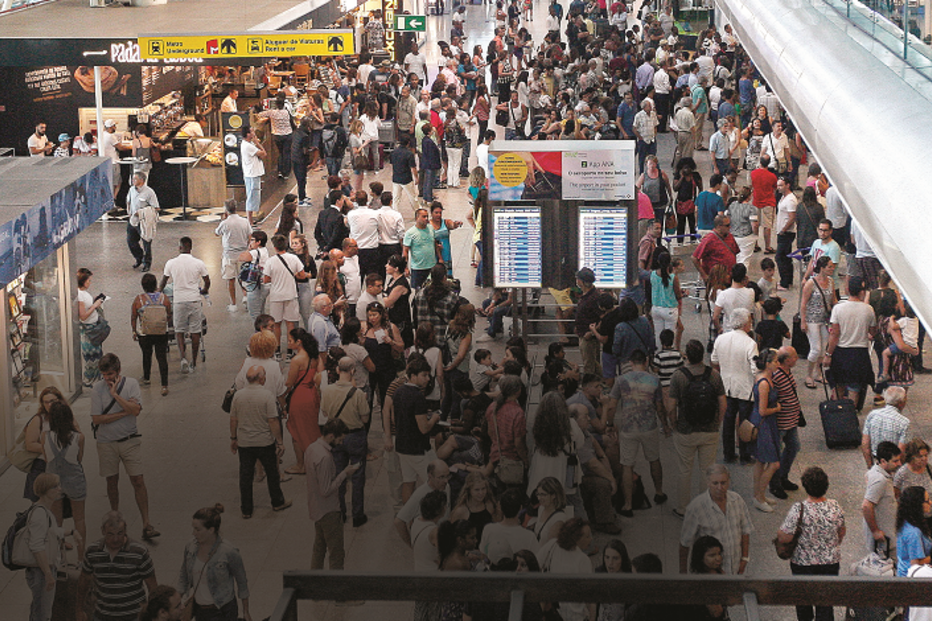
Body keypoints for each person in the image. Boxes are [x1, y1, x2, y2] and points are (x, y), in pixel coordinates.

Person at [91, 353, 159, 541]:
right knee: (111, 481)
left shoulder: (131, 384)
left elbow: (136, 411)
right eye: (104, 375)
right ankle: (115, 519)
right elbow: (97, 419)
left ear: (118, 371)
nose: (107, 379)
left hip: (129, 440)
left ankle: (146, 523)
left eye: (110, 374)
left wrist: (115, 395)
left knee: (138, 480)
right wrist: (124, 412)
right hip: (106, 442)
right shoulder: (97, 389)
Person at [604, 349, 668, 517]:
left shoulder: (621, 380)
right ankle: (659, 492)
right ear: (646, 362)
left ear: (630, 363)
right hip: (649, 427)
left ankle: (628, 504)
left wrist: (609, 424)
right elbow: (659, 407)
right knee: (654, 460)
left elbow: (611, 405)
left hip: (628, 428)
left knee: (627, 465)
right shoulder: (654, 380)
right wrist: (666, 425)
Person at [777, 466, 845, 621]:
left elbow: (784, 537)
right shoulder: (835, 506)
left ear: (805, 486)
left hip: (803, 564)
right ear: (826, 485)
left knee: (803, 600)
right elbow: (841, 532)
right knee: (825, 603)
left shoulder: (799, 509)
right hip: (830, 562)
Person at [669, 339, 727, 517]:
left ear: (686, 355)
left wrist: (674, 424)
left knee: (684, 470)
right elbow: (723, 403)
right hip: (709, 430)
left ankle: (683, 508)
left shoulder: (678, 376)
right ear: (702, 355)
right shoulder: (714, 375)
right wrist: (717, 423)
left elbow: (671, 406)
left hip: (686, 430)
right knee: (706, 470)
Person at [230, 364, 291, 517]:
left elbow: (233, 419)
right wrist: (279, 441)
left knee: (245, 476)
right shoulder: (267, 396)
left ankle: (246, 509)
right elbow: (273, 420)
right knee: (272, 473)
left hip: (245, 443)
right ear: (261, 379)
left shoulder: (238, 396)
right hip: (265, 442)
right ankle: (277, 502)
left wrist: (233, 438)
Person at [77, 511, 157, 621]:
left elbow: (153, 587)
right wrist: (79, 610)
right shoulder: (92, 552)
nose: (115, 539)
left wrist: (153, 615)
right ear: (103, 531)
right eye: (110, 534)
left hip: (134, 616)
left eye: (120, 533)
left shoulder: (139, 552)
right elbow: (83, 582)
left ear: (125, 530)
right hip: (102, 616)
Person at [320, 357, 370, 527]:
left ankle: (340, 512)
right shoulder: (358, 394)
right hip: (355, 436)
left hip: (335, 437)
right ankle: (358, 515)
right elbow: (365, 419)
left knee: (338, 475)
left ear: (337, 370)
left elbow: (325, 413)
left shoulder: (327, 391)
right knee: (358, 477)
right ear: (353, 371)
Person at [178, 504, 251, 621]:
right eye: (193, 528)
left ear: (211, 530)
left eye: (198, 529)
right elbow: (184, 575)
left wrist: (246, 611)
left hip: (222, 610)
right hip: (200, 610)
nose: (193, 533)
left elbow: (242, 581)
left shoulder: (228, 551)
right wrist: (177, 601)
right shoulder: (190, 547)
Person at [680, 464, 753, 575]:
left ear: (729, 482)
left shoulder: (737, 500)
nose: (719, 487)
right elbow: (684, 543)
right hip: (710, 573)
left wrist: (744, 559)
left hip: (736, 569)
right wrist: (683, 573)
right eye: (715, 483)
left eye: (723, 483)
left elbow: (745, 531)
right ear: (708, 483)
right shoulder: (696, 508)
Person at [711, 308, 759, 465]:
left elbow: (714, 361)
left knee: (728, 422)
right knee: (744, 423)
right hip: (745, 389)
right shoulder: (750, 343)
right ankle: (745, 455)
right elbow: (755, 369)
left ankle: (728, 453)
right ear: (746, 324)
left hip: (726, 387)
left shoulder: (721, 339)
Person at [41, 401, 87, 556]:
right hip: (74, 480)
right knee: (79, 519)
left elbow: (46, 459)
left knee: (56, 519)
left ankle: (58, 555)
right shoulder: (79, 437)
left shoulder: (45, 436)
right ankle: (81, 557)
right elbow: (79, 459)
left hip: (52, 481)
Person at [825, 276, 877, 412]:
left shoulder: (838, 308)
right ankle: (850, 415)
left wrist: (828, 354)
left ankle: (838, 414)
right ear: (862, 291)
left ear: (847, 290)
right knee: (855, 388)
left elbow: (834, 334)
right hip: (859, 353)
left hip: (841, 351)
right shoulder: (868, 309)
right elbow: (873, 331)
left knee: (839, 385)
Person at [160, 236, 210, 374]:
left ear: (179, 248)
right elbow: (207, 280)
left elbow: (163, 281)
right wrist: (204, 290)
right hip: (194, 300)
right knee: (195, 331)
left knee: (179, 331)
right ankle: (193, 361)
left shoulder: (171, 263)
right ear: (191, 248)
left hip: (179, 301)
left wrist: (158, 293)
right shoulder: (198, 263)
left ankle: (183, 358)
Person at [23, 473, 66, 621]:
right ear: (45, 490)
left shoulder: (45, 511)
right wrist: (48, 574)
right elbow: (36, 546)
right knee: (42, 614)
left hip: (43, 570)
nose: (59, 489)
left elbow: (50, 531)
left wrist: (71, 532)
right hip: (41, 571)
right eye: (55, 487)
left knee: (41, 611)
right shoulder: (40, 514)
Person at [536, 518, 595, 621]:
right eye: (587, 536)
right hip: (575, 616)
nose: (591, 539)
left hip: (554, 612)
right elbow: (590, 594)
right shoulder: (583, 560)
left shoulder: (553, 545)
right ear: (577, 538)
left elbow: (536, 564)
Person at [748, 348, 783, 513]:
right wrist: (777, 408)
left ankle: (759, 495)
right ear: (768, 364)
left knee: (760, 461)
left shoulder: (764, 378)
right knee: (774, 463)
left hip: (765, 423)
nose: (778, 364)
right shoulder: (764, 383)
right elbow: (763, 410)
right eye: (775, 361)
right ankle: (759, 497)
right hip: (764, 425)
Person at [283, 329, 322, 475]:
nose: (288, 343)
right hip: (312, 394)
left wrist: (281, 397)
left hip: (299, 397)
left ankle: (301, 465)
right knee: (312, 429)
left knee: (297, 431)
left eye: (290, 340)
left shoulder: (297, 360)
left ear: (298, 342)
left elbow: (290, 383)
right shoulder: (315, 357)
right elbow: (320, 375)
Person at [799, 256, 837, 388]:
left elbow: (833, 300)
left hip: (825, 319)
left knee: (823, 349)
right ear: (822, 268)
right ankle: (809, 375)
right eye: (829, 266)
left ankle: (818, 372)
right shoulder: (811, 283)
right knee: (816, 349)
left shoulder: (831, 281)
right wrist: (803, 321)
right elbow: (803, 303)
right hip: (812, 319)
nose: (832, 269)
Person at [131, 274, 171, 396]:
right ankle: (164, 385)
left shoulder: (139, 300)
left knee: (146, 355)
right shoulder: (164, 298)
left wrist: (134, 331)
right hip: (161, 332)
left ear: (143, 286)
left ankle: (147, 378)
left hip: (145, 333)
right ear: (155, 284)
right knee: (161, 357)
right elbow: (169, 314)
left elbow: (134, 316)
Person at [863, 441, 902, 561]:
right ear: (883, 461)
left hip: (888, 534)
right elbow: (866, 506)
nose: (899, 464)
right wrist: (875, 531)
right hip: (884, 540)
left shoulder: (876, 472)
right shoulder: (880, 480)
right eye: (895, 461)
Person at [478, 488, 538, 563]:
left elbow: (483, 555)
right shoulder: (530, 537)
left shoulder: (488, 529)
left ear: (500, 507)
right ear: (520, 508)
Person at [214, 199, 252, 311]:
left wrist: (223, 219)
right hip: (243, 254)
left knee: (230, 280)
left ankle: (233, 304)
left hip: (229, 255)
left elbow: (216, 233)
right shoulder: (244, 221)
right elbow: (250, 235)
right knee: (243, 277)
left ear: (226, 210)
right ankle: (245, 296)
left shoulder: (225, 223)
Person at [450, 471, 502, 542]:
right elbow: (453, 535)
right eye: (477, 490)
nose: (481, 493)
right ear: (469, 490)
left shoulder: (489, 505)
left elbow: (496, 526)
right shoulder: (461, 511)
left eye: (483, 489)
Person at [75, 267, 105, 388]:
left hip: (93, 328)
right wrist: (95, 305)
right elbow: (83, 316)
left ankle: (95, 377)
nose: (90, 283)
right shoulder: (80, 296)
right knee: (92, 356)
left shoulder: (83, 294)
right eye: (88, 281)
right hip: (89, 330)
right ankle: (91, 378)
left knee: (96, 354)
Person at [687, 536, 729, 620]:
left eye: (719, 554)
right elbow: (716, 612)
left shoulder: (719, 573)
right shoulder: (701, 581)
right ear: (701, 558)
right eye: (712, 555)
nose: (718, 558)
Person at [896, 486, 932, 578]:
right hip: (912, 579)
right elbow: (915, 564)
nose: (930, 503)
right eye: (927, 501)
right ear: (917, 505)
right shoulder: (913, 533)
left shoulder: (906, 523)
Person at [126, 172, 159, 272]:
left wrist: (142, 212)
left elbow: (156, 208)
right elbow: (128, 200)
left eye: (135, 179)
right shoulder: (131, 190)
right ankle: (139, 257)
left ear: (142, 180)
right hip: (133, 221)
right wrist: (128, 210)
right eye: (133, 179)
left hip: (144, 222)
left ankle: (147, 263)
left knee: (146, 243)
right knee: (131, 241)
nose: (133, 181)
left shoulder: (149, 192)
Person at [594, 540, 632, 621]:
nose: (610, 563)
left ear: (622, 559)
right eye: (607, 557)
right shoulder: (599, 573)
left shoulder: (629, 579)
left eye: (615, 558)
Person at [258, 96, 293, 179]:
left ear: (276, 105)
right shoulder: (286, 112)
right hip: (287, 135)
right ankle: (286, 173)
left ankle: (280, 171)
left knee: (280, 153)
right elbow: (292, 121)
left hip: (277, 136)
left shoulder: (272, 112)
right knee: (287, 153)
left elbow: (259, 115)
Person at [403, 207, 439, 289]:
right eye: (423, 217)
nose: (426, 219)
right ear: (417, 218)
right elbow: (405, 251)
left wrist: (440, 258)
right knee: (418, 290)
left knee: (432, 289)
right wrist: (405, 267)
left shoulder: (431, 228)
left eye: (427, 216)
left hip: (432, 266)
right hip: (418, 268)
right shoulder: (410, 233)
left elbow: (435, 244)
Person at [774, 177, 797, 291]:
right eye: (778, 185)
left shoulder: (790, 200)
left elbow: (792, 217)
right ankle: (788, 280)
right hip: (782, 231)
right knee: (786, 257)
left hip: (786, 233)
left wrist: (784, 229)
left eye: (781, 185)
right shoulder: (783, 198)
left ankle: (784, 283)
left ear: (787, 185)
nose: (778, 188)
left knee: (780, 257)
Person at [240, 126, 267, 227]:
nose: (254, 133)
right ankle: (250, 221)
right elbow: (264, 153)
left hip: (252, 173)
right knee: (251, 196)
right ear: (248, 134)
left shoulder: (248, 144)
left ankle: (251, 219)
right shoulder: (248, 146)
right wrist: (258, 143)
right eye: (252, 132)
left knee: (253, 196)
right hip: (252, 174)